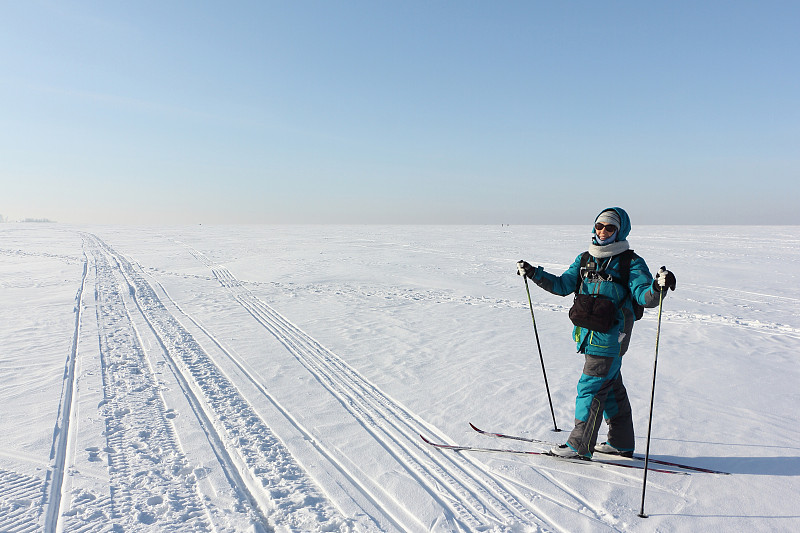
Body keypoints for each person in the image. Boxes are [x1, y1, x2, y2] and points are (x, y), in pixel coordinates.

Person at [516, 207, 676, 459]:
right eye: (599, 226)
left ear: (620, 231)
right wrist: (535, 274)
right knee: (611, 389)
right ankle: (621, 443)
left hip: (612, 338)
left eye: (610, 228)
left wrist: (658, 287)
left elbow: (644, 296)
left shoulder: (630, 262)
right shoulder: (585, 259)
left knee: (590, 389)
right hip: (588, 336)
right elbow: (562, 285)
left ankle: (579, 445)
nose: (603, 231)